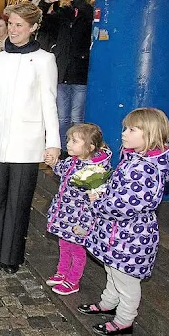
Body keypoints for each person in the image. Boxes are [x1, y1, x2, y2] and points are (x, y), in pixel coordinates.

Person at [0, 1, 60, 274]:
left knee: (19, 203)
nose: (13, 30)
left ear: (33, 28)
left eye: (19, 25)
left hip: (27, 142)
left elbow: (49, 103)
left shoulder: (46, 60)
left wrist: (53, 143)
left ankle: (11, 257)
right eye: (11, 24)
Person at [77, 108, 169, 336]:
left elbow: (123, 205)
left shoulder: (145, 169)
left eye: (132, 129)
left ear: (150, 134)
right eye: (125, 128)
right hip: (119, 234)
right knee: (113, 270)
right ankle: (108, 303)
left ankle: (124, 320)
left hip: (131, 235)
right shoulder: (136, 158)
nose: (124, 133)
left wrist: (98, 201)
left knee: (126, 280)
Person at [44, 123, 112, 295]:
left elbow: (94, 202)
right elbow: (62, 170)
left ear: (90, 147)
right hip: (65, 214)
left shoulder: (95, 172)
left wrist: (85, 224)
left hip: (79, 219)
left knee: (77, 250)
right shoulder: (73, 160)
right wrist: (54, 164)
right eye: (69, 140)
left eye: (74, 141)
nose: (68, 144)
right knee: (64, 244)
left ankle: (73, 280)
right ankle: (62, 272)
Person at [38, 0, 95, 151]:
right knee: (62, 117)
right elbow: (43, 23)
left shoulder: (90, 12)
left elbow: (90, 15)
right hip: (62, 72)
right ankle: (64, 150)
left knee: (77, 117)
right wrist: (45, 2)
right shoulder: (64, 14)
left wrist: (78, 0)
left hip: (80, 74)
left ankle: (79, 152)